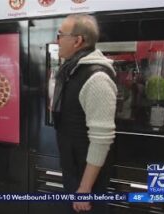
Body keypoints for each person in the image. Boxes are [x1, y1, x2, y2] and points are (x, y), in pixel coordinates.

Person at [51, 14, 117, 213]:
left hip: (88, 180)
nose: (57, 40)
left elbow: (101, 140)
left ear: (78, 40)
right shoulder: (71, 70)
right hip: (73, 168)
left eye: (60, 35)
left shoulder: (97, 79)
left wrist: (85, 189)